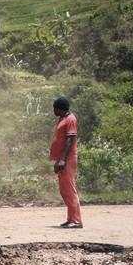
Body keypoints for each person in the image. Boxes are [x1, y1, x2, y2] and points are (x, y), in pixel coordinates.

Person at [49, 96, 82, 228]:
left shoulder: (70, 119)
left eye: (54, 108)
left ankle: (76, 221)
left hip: (67, 159)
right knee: (64, 190)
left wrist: (62, 159)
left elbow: (70, 140)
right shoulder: (62, 119)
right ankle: (71, 218)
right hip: (62, 159)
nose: (53, 111)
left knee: (69, 190)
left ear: (59, 108)